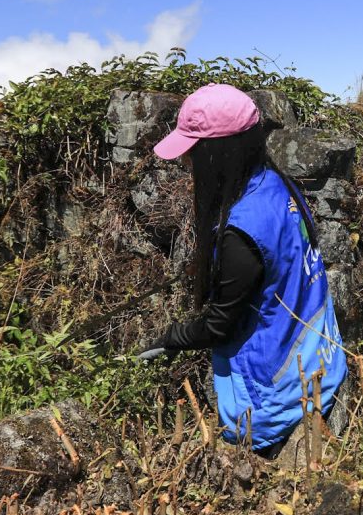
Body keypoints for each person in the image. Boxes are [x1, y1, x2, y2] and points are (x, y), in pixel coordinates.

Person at [139, 83, 347, 453]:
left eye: (193, 152)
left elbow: (219, 326)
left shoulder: (241, 231)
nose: (188, 163)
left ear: (219, 153)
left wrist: (173, 338)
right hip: (321, 365)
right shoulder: (278, 186)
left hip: (274, 403)